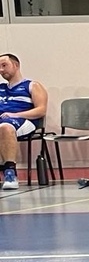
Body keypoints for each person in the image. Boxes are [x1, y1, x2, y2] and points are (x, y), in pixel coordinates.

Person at [0, 52, 46, 190]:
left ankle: (10, 173)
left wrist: (15, 115)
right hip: (3, 120)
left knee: (5, 127)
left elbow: (41, 110)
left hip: (24, 120)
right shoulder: (1, 88)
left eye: (4, 65)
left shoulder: (32, 85)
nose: (1, 70)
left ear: (16, 65)